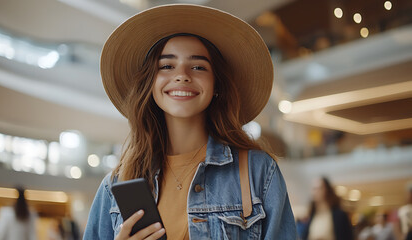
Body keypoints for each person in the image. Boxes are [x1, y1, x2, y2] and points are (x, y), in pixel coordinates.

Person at [83, 4, 297, 239]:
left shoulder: (259, 172)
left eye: (198, 66)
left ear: (217, 85)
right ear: (150, 84)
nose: (182, 74)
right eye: (166, 66)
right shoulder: (116, 184)